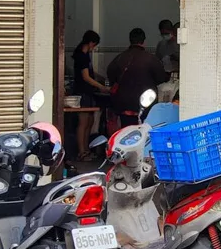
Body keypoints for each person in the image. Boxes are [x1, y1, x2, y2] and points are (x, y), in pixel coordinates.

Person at [107, 28, 169, 128]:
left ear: (130, 40)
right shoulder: (151, 59)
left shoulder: (119, 58)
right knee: (146, 132)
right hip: (146, 103)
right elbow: (161, 78)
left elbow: (111, 75)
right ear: (144, 41)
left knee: (126, 132)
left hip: (123, 104)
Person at [71, 30, 108, 161]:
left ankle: (86, 149)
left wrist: (101, 78)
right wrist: (101, 86)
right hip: (82, 92)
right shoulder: (82, 56)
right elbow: (86, 77)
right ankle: (82, 152)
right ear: (91, 42)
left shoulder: (85, 55)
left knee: (89, 121)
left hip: (88, 92)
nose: (94, 48)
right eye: (95, 45)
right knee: (83, 122)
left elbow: (91, 74)